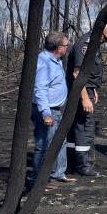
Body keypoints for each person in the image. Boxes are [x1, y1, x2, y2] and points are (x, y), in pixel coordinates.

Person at [65, 22, 107, 177]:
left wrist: (93, 89)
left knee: (79, 127)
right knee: (84, 126)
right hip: (81, 92)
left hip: (87, 89)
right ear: (99, 32)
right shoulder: (85, 44)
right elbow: (77, 74)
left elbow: (89, 72)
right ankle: (82, 165)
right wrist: (85, 97)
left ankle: (73, 162)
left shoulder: (93, 44)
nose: (106, 42)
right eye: (106, 38)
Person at [31, 31, 71, 184]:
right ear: (58, 47)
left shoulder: (56, 60)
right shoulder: (44, 63)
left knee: (60, 141)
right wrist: (46, 113)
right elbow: (40, 89)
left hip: (56, 109)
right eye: (66, 45)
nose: (67, 48)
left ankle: (58, 174)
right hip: (46, 110)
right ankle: (37, 179)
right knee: (44, 145)